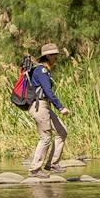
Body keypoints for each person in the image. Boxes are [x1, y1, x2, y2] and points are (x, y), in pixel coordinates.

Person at [24, 43, 70, 177]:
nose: (56, 58)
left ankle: (52, 164)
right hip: (39, 107)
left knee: (62, 132)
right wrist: (61, 107)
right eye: (55, 55)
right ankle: (35, 169)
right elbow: (48, 91)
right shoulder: (41, 71)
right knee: (45, 138)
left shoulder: (44, 70)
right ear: (48, 56)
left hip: (45, 106)